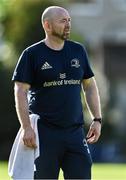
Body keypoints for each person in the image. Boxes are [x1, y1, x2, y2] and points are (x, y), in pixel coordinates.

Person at [12, 6, 102, 180]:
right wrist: (26, 127)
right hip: (44, 134)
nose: (68, 24)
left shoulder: (78, 50)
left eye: (69, 20)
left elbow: (89, 85)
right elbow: (20, 91)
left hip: (75, 133)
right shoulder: (32, 54)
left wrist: (97, 119)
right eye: (62, 21)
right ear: (47, 25)